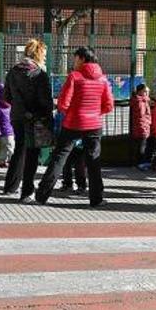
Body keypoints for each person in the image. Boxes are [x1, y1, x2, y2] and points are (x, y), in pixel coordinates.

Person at [35, 47, 114, 207]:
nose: (74, 62)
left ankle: (42, 195)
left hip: (73, 123)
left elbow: (63, 104)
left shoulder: (74, 77)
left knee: (59, 158)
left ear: (83, 59)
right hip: (94, 125)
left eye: (76, 58)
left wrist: (72, 112)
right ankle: (96, 199)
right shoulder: (103, 79)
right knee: (93, 161)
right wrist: (94, 113)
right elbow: (109, 106)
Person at [3, 39, 55, 201]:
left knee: (20, 149)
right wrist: (46, 115)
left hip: (17, 116)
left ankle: (10, 186)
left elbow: (6, 96)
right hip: (35, 118)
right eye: (44, 55)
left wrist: (20, 108)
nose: (45, 58)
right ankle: (27, 192)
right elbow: (46, 100)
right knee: (32, 154)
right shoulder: (39, 74)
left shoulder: (13, 71)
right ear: (37, 54)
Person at [129, 84, 152, 168]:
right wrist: (146, 124)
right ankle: (140, 163)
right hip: (142, 126)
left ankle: (136, 163)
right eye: (145, 91)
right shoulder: (141, 102)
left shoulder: (138, 100)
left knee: (139, 145)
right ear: (140, 91)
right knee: (142, 145)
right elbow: (142, 115)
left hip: (139, 126)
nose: (147, 93)